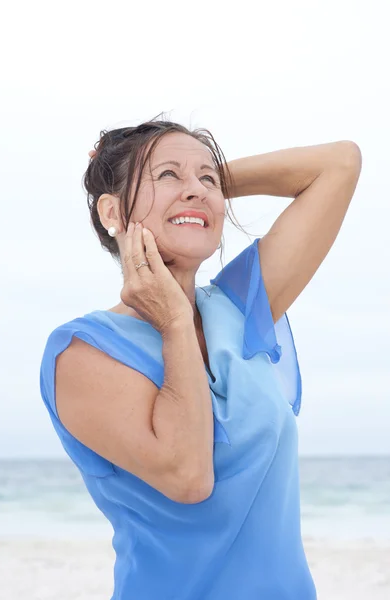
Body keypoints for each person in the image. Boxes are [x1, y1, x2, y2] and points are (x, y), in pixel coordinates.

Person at [39, 118, 362, 599]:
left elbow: (339, 163)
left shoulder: (235, 307)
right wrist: (172, 321)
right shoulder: (82, 351)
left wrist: (199, 187)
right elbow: (188, 478)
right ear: (112, 210)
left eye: (208, 179)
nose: (196, 191)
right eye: (166, 175)